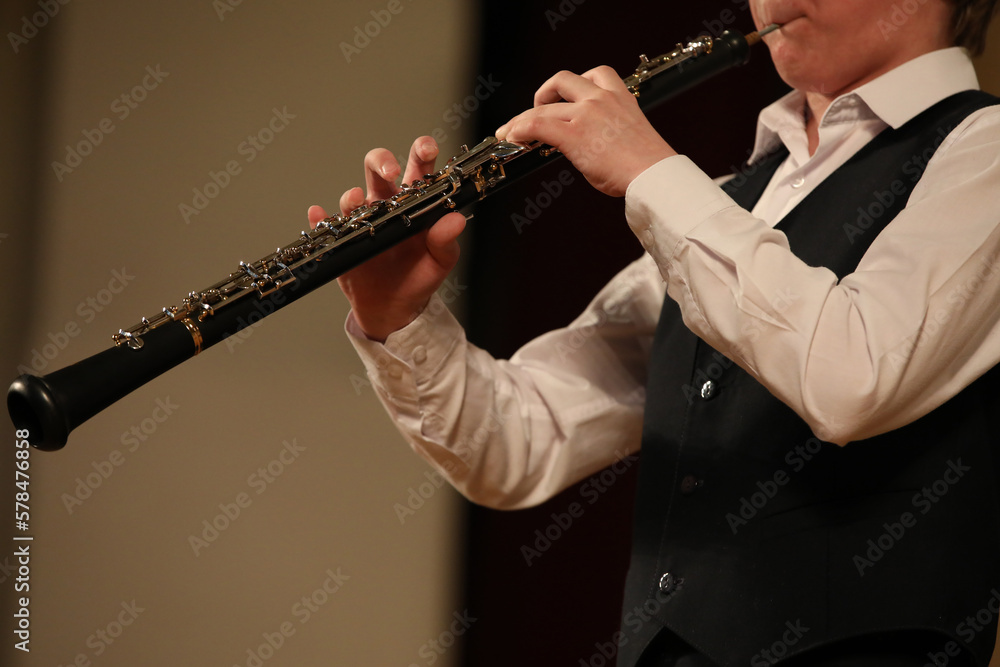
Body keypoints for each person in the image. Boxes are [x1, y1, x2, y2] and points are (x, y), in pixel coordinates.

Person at [309, 0, 1000, 664]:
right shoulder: (724, 203)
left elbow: (854, 375)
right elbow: (519, 439)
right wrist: (397, 316)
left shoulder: (984, 152)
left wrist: (647, 170)